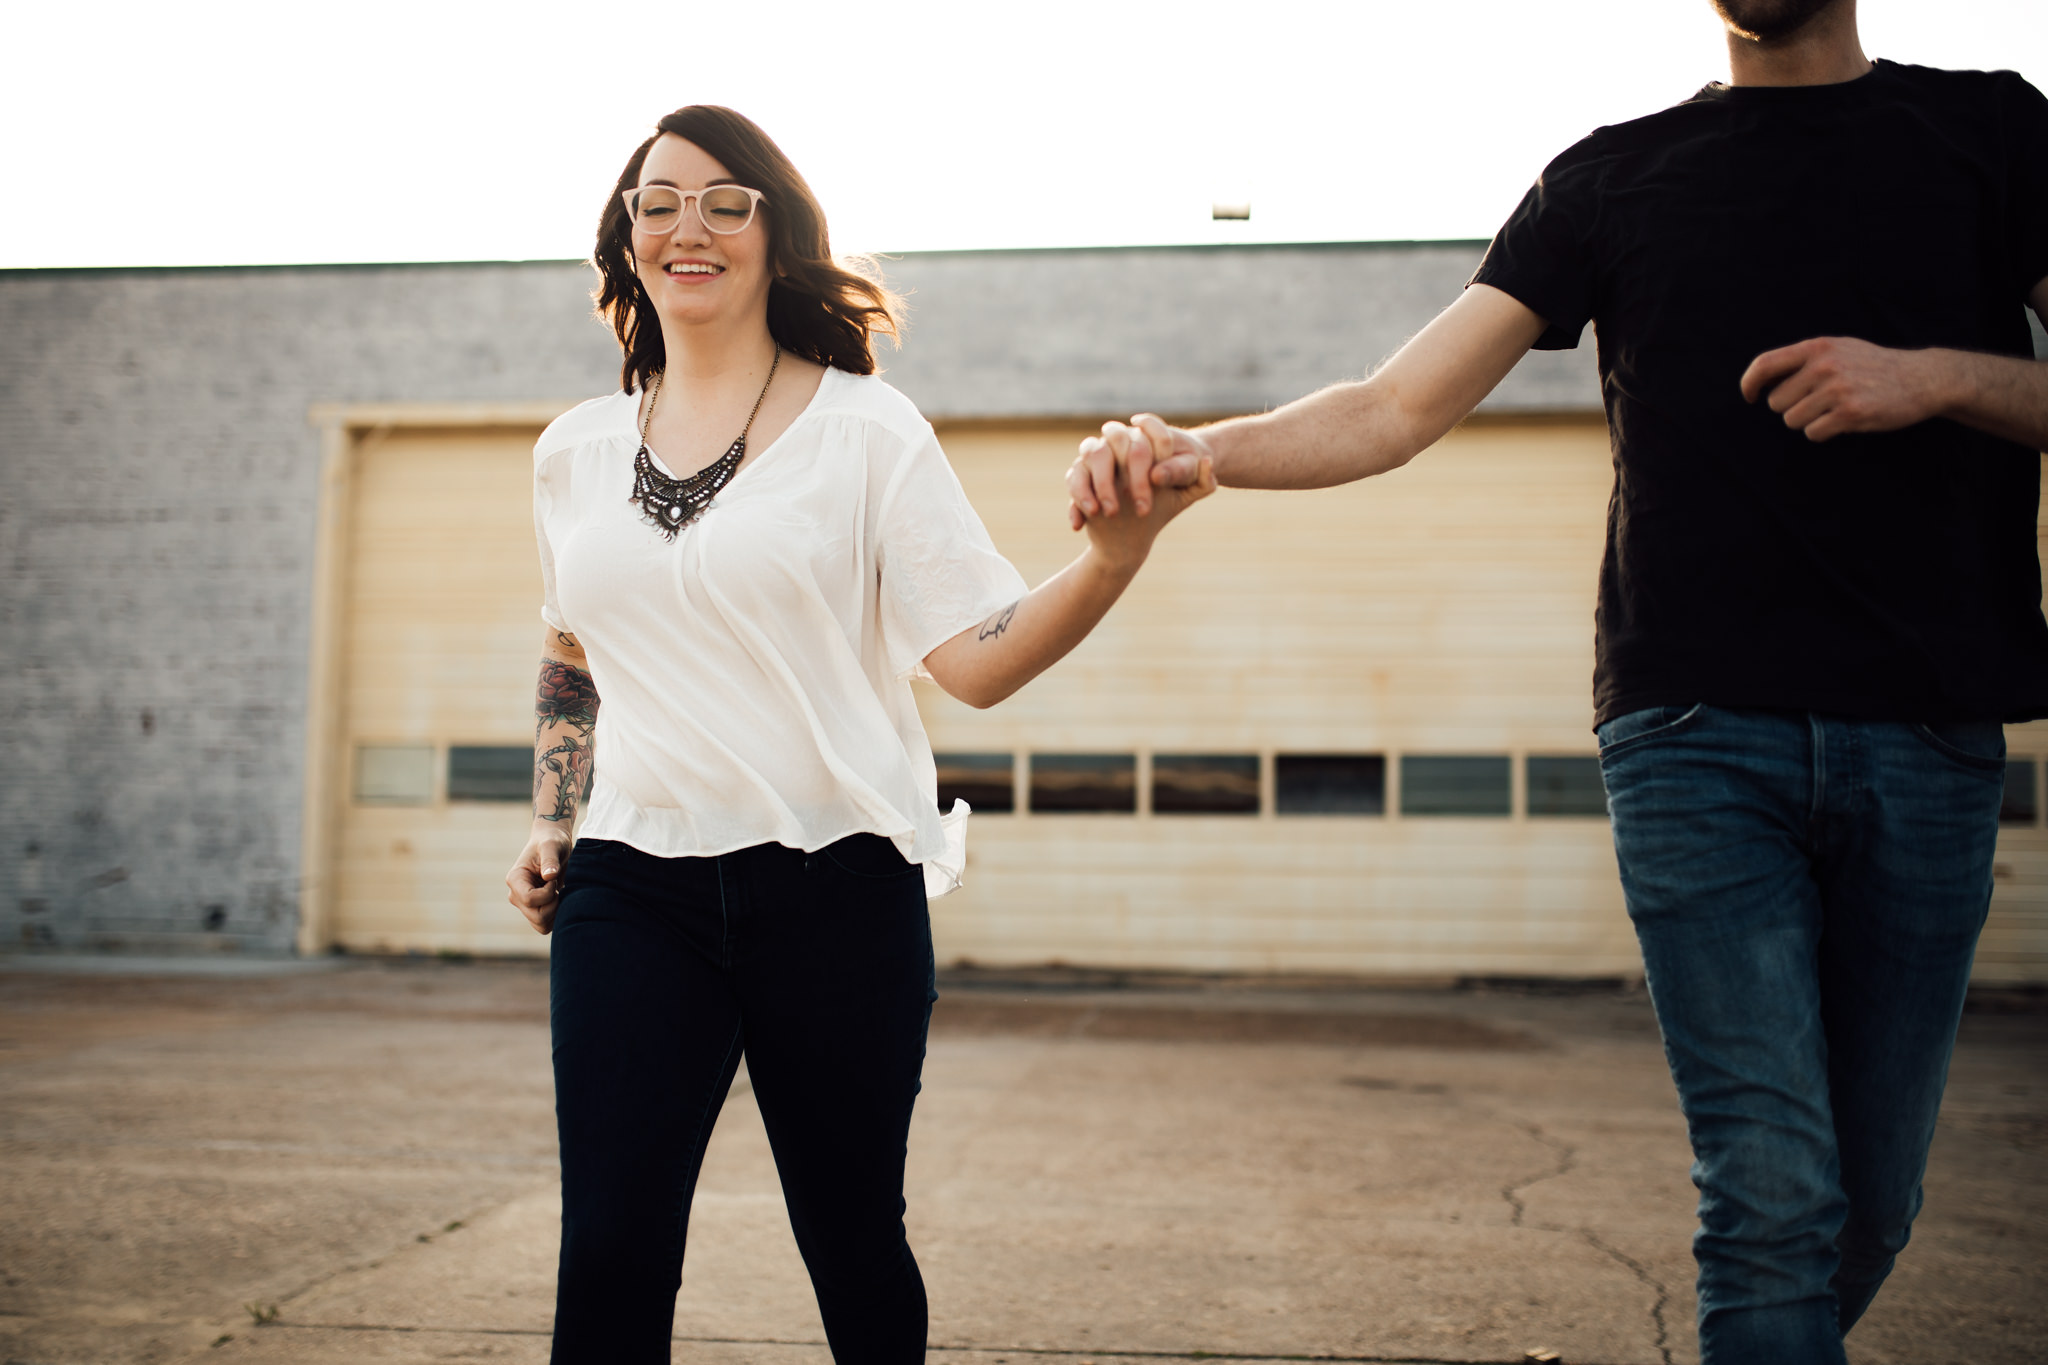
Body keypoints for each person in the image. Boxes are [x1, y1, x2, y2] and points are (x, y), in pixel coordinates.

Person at [1070, 3, 2048, 1361]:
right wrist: (1204, 453)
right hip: (1696, 738)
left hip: (1931, 734)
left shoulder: (1990, 132)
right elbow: (1396, 405)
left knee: (1869, 1206)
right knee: (1771, 1193)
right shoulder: (1607, 177)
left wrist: (1934, 378)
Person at [505, 105, 1211, 1364]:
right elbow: (571, 651)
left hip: (833, 883)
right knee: (609, 1244)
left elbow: (975, 662)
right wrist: (555, 822)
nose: (689, 227)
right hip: (632, 887)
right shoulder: (574, 452)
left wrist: (1111, 558)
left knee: (850, 1239)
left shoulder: (866, 431)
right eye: (656, 203)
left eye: (728, 201)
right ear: (624, 241)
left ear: (778, 235)